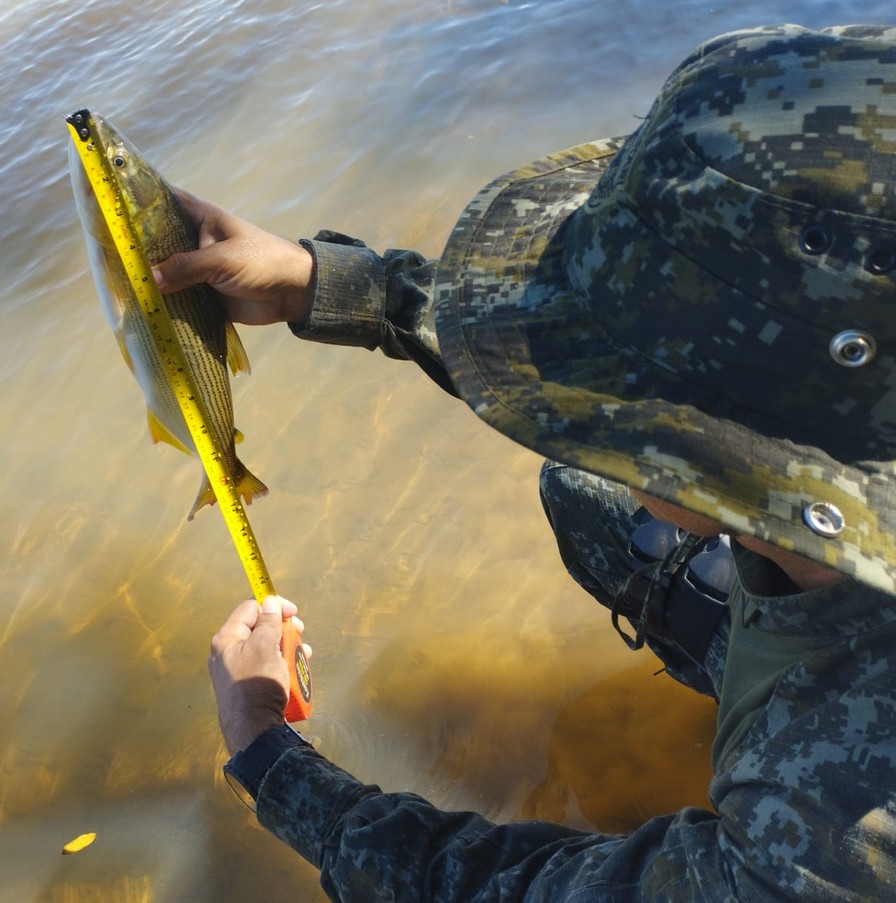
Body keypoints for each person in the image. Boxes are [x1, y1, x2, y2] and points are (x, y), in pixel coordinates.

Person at [157, 24, 896, 901]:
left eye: (639, 397)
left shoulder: (829, 823)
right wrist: (338, 286)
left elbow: (514, 889)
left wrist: (270, 758)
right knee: (587, 495)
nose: (609, 409)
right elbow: (594, 354)